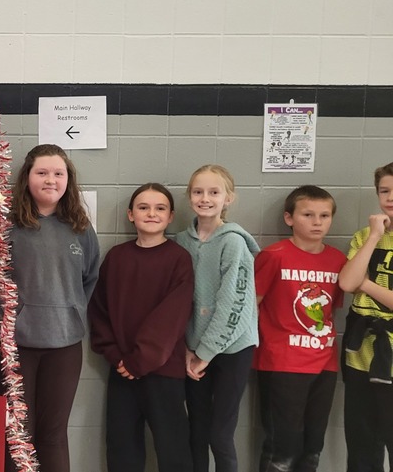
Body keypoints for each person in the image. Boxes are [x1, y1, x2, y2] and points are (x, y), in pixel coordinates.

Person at [0, 144, 99, 471]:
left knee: (53, 434)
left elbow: (89, 277)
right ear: (27, 177)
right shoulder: (3, 224)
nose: (51, 180)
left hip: (63, 346)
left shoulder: (80, 227)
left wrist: (70, 312)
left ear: (68, 180)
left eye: (58, 173)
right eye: (42, 172)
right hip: (10, 346)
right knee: (18, 433)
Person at [87, 183, 194, 472]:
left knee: (173, 450)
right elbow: (99, 310)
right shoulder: (117, 257)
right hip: (122, 369)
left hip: (164, 371)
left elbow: (172, 317)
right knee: (122, 450)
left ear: (171, 216)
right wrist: (115, 356)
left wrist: (139, 360)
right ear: (130, 214)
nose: (151, 213)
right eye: (143, 207)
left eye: (160, 208)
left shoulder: (178, 259)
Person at [254, 185, 345, 472]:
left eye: (324, 215)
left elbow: (331, 310)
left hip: (324, 362)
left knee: (312, 447)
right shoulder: (274, 255)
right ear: (289, 218)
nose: (317, 222)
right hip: (281, 361)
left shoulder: (338, 260)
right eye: (308, 214)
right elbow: (251, 305)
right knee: (283, 448)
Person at [176, 164, 259, 472]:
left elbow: (234, 306)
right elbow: (178, 302)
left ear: (229, 199)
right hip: (193, 351)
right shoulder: (180, 242)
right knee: (196, 431)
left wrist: (205, 354)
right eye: (198, 191)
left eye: (214, 192)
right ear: (189, 197)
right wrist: (187, 349)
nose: (205, 198)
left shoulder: (234, 242)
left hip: (232, 350)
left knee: (219, 435)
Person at [338, 162, 393, 472]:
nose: (390, 197)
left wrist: (366, 284)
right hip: (361, 356)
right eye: (384, 191)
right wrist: (374, 236)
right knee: (361, 446)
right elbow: (346, 283)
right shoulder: (365, 236)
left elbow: (357, 281)